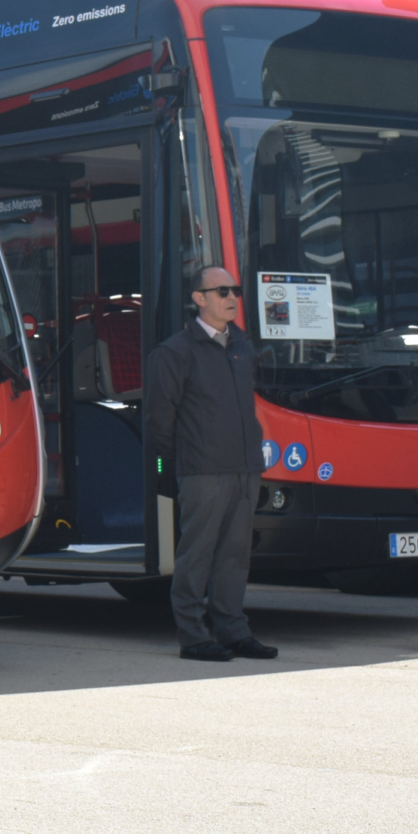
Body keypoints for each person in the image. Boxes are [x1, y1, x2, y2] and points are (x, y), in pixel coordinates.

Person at [142, 265, 278, 663]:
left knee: (235, 555)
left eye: (235, 290)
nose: (232, 297)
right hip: (202, 469)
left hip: (245, 467)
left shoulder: (242, 346)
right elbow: (157, 421)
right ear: (199, 299)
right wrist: (173, 466)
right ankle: (192, 635)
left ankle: (234, 632)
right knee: (196, 553)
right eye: (221, 291)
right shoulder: (174, 352)